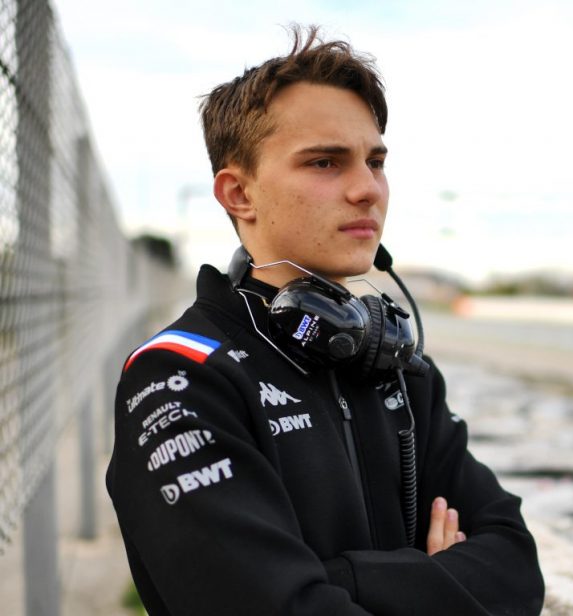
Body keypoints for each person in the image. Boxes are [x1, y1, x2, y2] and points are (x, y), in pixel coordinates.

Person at [106, 25, 544, 615]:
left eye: (376, 161)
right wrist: (430, 577)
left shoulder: (400, 369)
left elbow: (516, 568)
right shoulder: (180, 379)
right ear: (239, 195)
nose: (367, 189)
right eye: (324, 163)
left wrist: (345, 580)